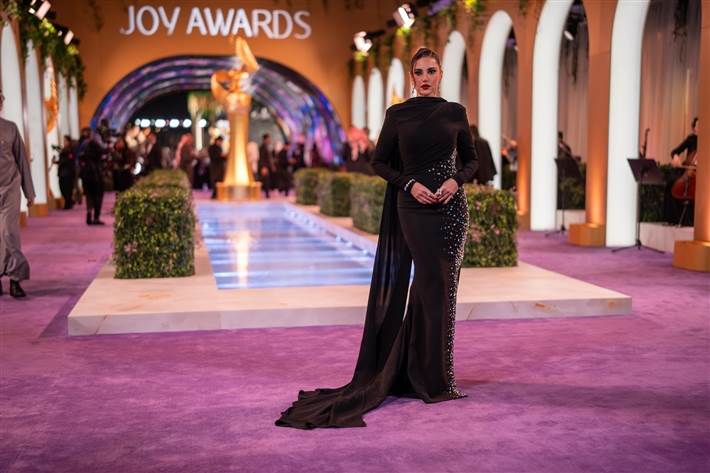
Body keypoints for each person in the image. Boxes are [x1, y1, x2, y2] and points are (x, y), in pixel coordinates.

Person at [276, 47, 478, 429]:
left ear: (441, 73)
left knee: (441, 291)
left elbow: (472, 160)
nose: (425, 78)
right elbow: (379, 162)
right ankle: (427, 378)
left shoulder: (455, 112)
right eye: (419, 72)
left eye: (431, 71)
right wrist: (411, 184)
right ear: (411, 77)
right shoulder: (397, 114)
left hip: (452, 211)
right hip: (414, 209)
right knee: (430, 285)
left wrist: (456, 180)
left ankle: (428, 374)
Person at [0, 90, 36, 298]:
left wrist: (29, 192)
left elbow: (22, 160)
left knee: (9, 233)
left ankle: (15, 278)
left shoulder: (10, 128)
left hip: (10, 187)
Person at [78, 128, 108, 225]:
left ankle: (89, 213)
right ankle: (96, 217)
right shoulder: (98, 147)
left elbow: (80, 158)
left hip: (87, 175)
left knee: (89, 196)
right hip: (96, 175)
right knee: (97, 196)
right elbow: (104, 153)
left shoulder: (84, 145)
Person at [57, 135, 77, 209]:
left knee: (68, 189)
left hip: (68, 172)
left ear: (68, 141)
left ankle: (68, 203)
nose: (64, 142)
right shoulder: (63, 150)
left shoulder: (71, 150)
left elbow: (69, 160)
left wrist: (61, 161)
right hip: (62, 172)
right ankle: (69, 201)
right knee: (62, 188)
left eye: (65, 141)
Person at [258, 133, 275, 198]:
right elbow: (262, 158)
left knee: (266, 181)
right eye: (268, 139)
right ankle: (265, 194)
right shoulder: (262, 148)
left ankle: (267, 194)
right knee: (264, 180)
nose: (269, 140)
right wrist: (263, 167)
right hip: (264, 167)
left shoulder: (267, 147)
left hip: (267, 167)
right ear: (265, 139)